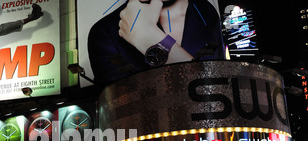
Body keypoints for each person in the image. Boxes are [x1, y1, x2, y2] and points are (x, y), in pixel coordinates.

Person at [88, 0, 224, 84]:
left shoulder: (206, 12)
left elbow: (222, 90)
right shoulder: (104, 33)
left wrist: (153, 41)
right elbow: (122, 114)